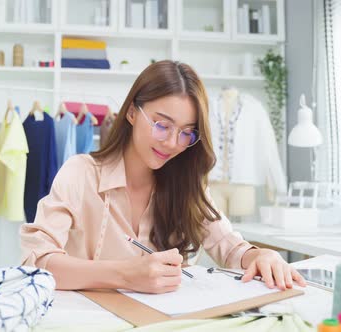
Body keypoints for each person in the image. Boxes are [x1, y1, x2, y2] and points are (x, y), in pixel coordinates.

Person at [20, 60, 305, 294]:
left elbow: (228, 246)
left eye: (186, 132)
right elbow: (38, 262)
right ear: (132, 112)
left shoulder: (186, 184)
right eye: (162, 125)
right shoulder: (81, 173)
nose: (172, 143)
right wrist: (125, 274)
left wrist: (258, 256)